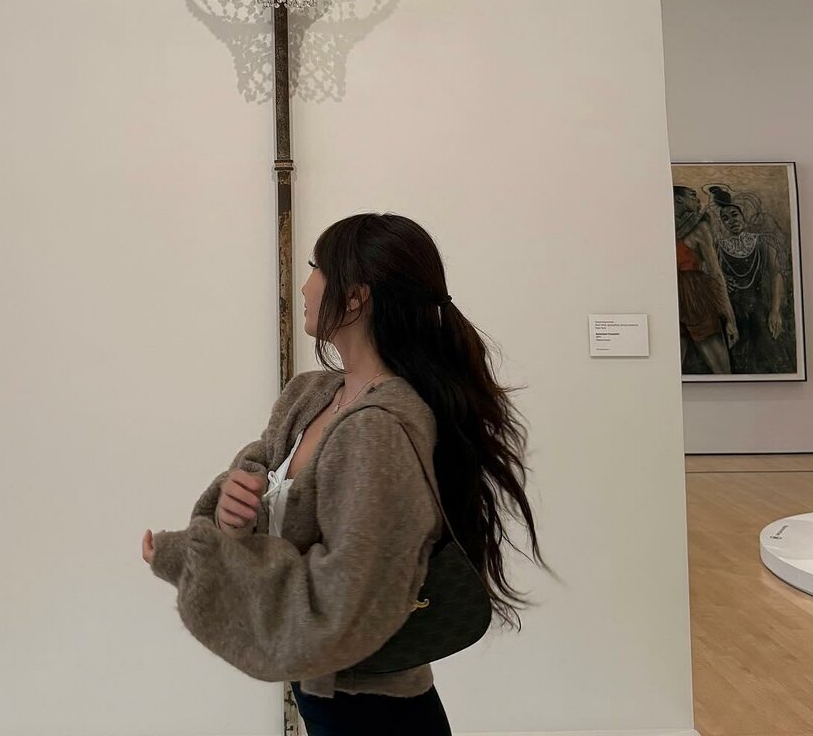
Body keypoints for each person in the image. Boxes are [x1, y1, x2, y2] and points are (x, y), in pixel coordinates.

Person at [141, 213, 547, 735]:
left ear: (354, 299)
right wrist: (233, 517)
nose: (305, 286)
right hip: (327, 695)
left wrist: (189, 559)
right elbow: (268, 510)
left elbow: (344, 606)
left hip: (372, 708)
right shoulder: (308, 394)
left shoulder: (378, 429)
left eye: (316, 268)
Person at [706, 186, 793, 375]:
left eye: (734, 215)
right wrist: (723, 280)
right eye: (725, 218)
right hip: (733, 313)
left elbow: (776, 274)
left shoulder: (763, 242)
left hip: (761, 309)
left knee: (769, 355)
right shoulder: (718, 248)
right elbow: (712, 278)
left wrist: (775, 310)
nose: (731, 221)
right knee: (738, 359)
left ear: (743, 216)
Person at [673, 186, 737, 374]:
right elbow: (716, 274)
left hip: (682, 299)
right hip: (693, 299)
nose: (698, 199)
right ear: (678, 199)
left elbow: (716, 274)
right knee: (722, 371)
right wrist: (730, 319)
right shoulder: (700, 228)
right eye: (692, 195)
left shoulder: (665, 228)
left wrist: (729, 318)